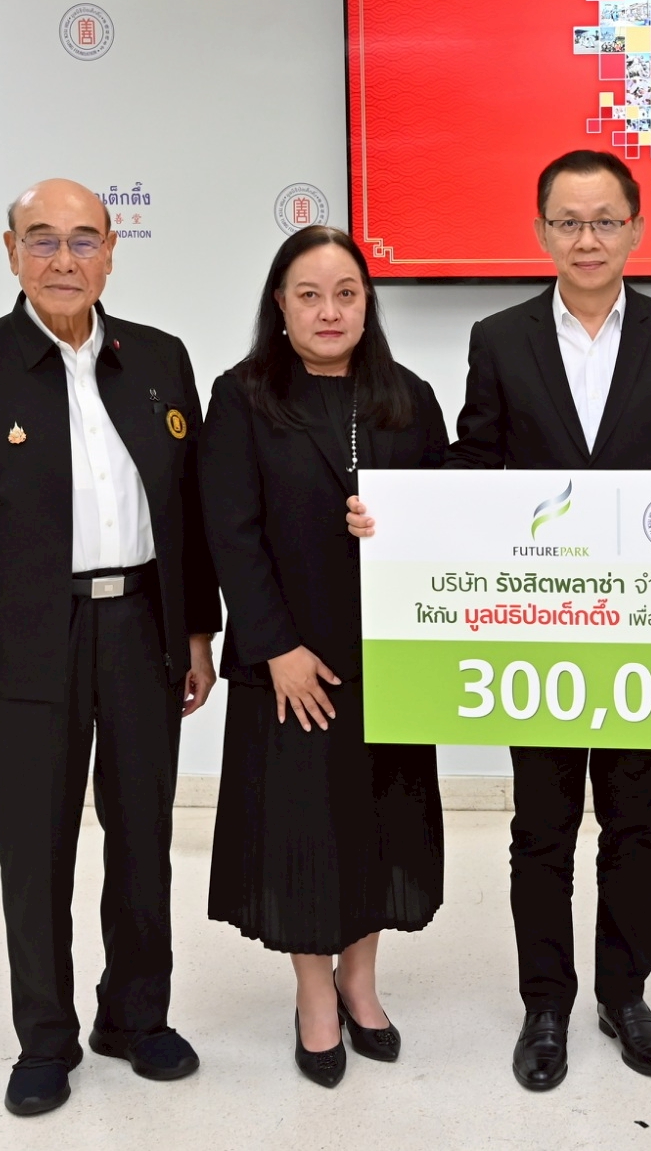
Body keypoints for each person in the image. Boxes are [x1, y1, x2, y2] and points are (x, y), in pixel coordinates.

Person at [0, 179, 220, 1117]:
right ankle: (45, 1038)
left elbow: (189, 510)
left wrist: (197, 629)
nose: (62, 259)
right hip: (26, 647)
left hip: (144, 630)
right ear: (10, 252)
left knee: (143, 837)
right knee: (35, 846)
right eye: (41, 240)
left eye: (83, 240)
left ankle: (136, 1016)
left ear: (112, 251)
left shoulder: (160, 358)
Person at [448, 149, 651, 1092]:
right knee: (541, 825)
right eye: (568, 222)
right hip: (540, 623)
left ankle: (625, 995)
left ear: (637, 230)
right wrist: (404, 510)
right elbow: (475, 465)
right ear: (540, 232)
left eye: (606, 220)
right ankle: (545, 1005)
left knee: (635, 822)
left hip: (645, 624)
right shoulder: (499, 337)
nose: (587, 238)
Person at [200, 226, 450, 1089]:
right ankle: (314, 994)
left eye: (346, 293)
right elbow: (229, 533)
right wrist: (276, 647)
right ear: (280, 303)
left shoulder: (410, 397)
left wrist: (401, 523)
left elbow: (447, 516)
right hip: (290, 663)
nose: (329, 311)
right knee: (302, 830)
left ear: (367, 303)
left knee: (380, 823)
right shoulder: (242, 396)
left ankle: (360, 982)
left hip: (389, 655)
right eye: (309, 294)